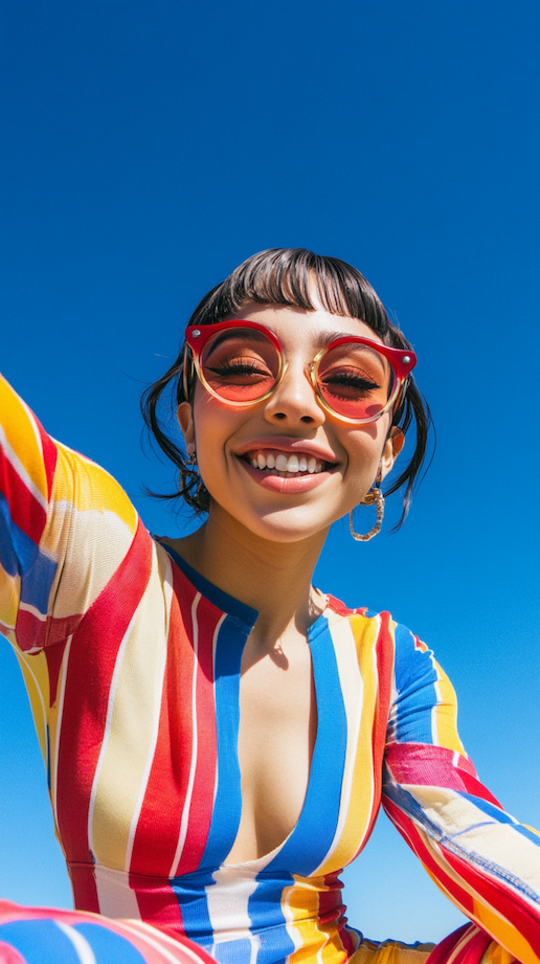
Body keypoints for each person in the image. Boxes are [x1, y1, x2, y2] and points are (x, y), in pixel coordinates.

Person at [0, 248, 538, 964]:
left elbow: (481, 847)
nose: (294, 402)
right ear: (190, 426)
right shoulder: (93, 565)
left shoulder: (392, 663)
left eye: (349, 380)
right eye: (242, 367)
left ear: (386, 450)